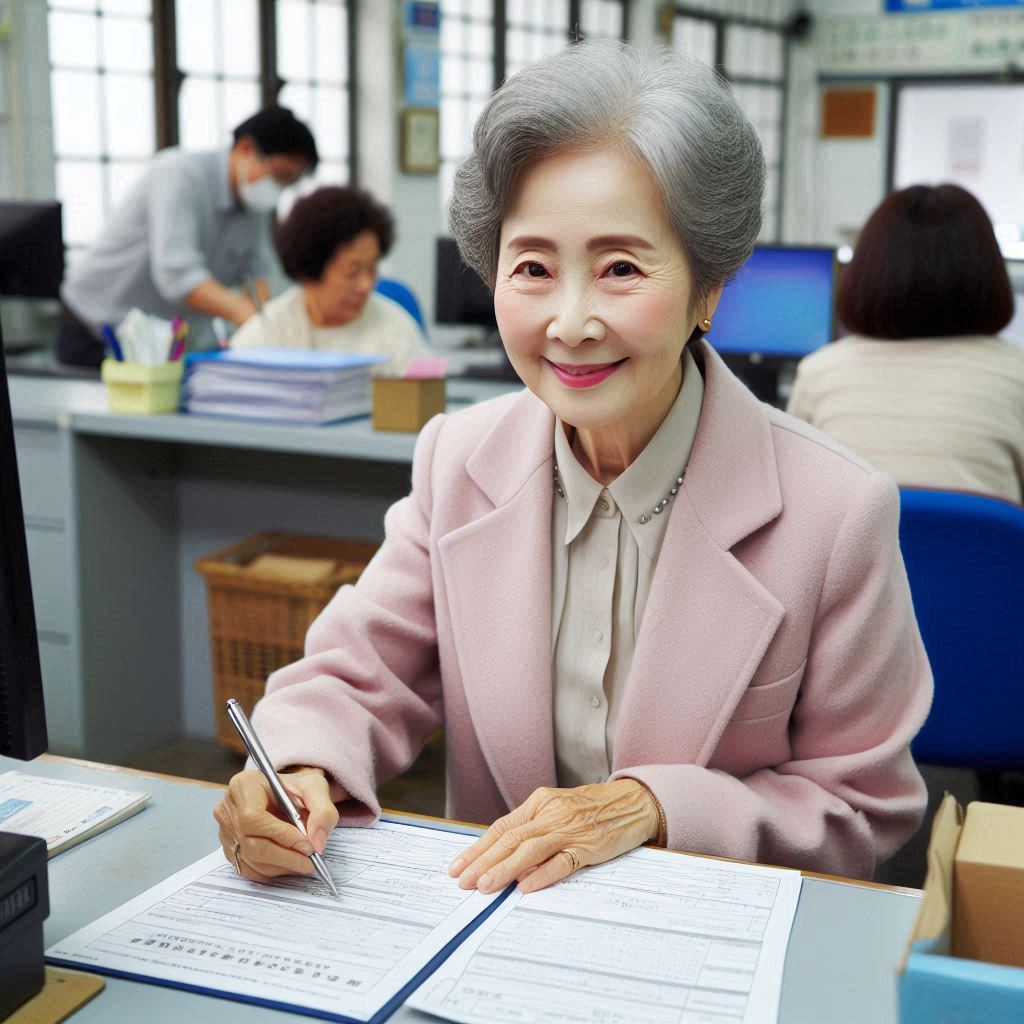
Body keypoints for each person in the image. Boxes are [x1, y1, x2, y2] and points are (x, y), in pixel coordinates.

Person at [214, 41, 932, 893]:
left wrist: (655, 808)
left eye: (622, 268)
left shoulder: (835, 511)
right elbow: (357, 676)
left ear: (710, 289)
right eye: (533, 269)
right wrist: (299, 766)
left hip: (705, 956)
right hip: (490, 951)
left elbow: (863, 809)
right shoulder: (459, 461)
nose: (571, 321)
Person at [787, 184, 1024, 504]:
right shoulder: (1016, 376)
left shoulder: (818, 373)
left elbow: (795, 506)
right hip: (984, 554)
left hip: (854, 554)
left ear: (868, 271)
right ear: (989, 272)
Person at [57, 107, 318, 368]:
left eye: (289, 182)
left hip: (157, 344)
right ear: (246, 149)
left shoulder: (253, 203)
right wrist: (246, 314)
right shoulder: (179, 174)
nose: (278, 188)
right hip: (97, 329)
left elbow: (259, 271)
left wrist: (265, 317)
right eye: (279, 175)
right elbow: (177, 275)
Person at [230, 186, 430, 375]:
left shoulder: (395, 329)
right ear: (310, 272)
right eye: (352, 272)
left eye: (372, 269)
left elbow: (430, 400)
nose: (365, 285)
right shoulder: (271, 329)